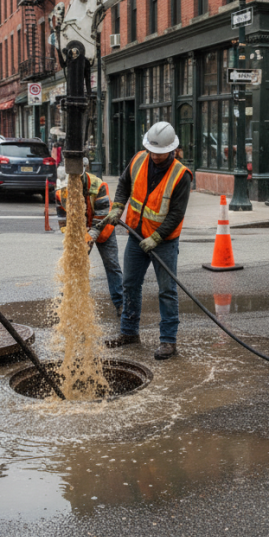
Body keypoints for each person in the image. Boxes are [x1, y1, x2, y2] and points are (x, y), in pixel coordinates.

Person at [98, 121, 192, 360]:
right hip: (136, 235)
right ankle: (129, 332)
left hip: (164, 241)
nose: (155, 156)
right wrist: (118, 207)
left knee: (167, 291)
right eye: (152, 151)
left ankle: (168, 341)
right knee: (130, 284)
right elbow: (124, 183)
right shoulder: (139, 159)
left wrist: (157, 237)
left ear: (172, 150)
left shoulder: (181, 175)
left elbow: (176, 214)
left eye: (160, 153)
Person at [55, 161, 124, 317]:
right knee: (73, 265)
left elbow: (101, 218)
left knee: (112, 265)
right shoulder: (61, 191)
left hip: (103, 227)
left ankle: (120, 304)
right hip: (80, 230)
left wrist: (89, 236)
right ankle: (65, 304)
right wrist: (71, 235)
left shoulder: (98, 186)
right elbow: (62, 219)